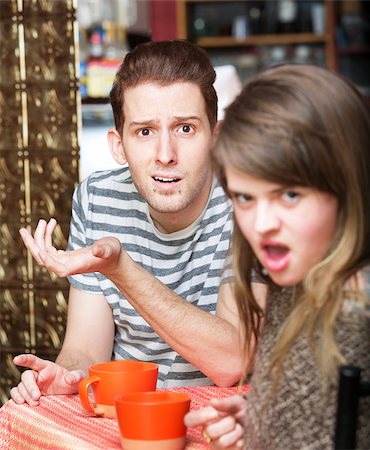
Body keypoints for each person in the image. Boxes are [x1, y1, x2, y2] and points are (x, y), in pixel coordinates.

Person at [9, 40, 259, 407]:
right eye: (145, 132)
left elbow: (231, 360)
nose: (165, 155)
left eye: (185, 129)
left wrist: (120, 269)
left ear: (217, 138)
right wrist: (68, 375)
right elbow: (85, 348)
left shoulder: (247, 200)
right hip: (125, 415)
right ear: (119, 146)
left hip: (220, 417)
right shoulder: (97, 198)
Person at [185, 64, 370, 449]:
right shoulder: (296, 277)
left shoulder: (358, 307)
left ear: (348, 184)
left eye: (289, 195)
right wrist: (259, 420)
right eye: (245, 198)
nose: (262, 224)